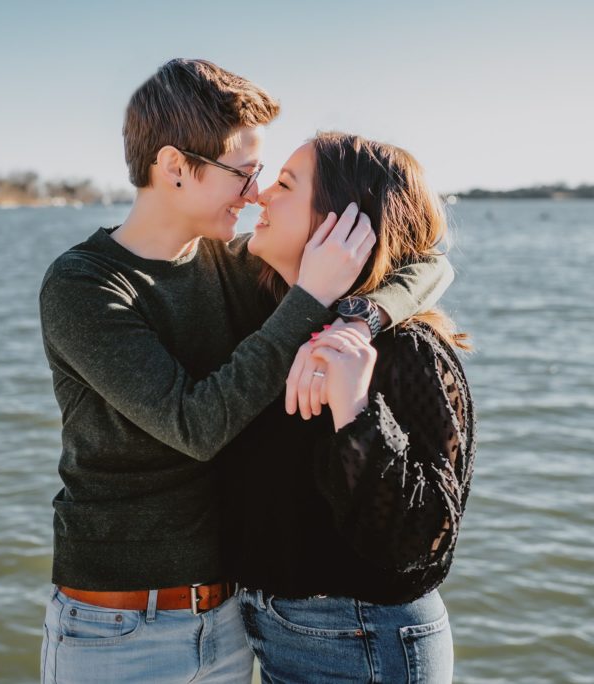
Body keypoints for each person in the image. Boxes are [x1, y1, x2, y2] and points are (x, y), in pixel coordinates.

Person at [38, 59, 453, 683]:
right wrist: (311, 299)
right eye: (244, 172)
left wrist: (360, 318)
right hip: (119, 630)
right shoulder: (86, 285)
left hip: (234, 622)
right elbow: (195, 425)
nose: (256, 192)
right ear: (175, 167)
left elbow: (429, 263)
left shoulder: (232, 263)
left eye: (264, 175)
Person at [223, 132, 476, 683]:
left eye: (286, 184)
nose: (261, 195)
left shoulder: (406, 351)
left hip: (365, 641)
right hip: (271, 630)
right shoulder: (270, 316)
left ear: (343, 221)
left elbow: (421, 541)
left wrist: (356, 410)